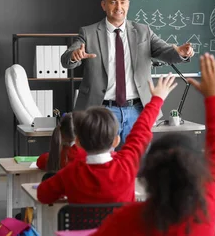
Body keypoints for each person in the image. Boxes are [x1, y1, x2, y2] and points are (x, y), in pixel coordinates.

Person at [91, 53, 215, 235]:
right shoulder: (207, 207)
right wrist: (214, 98)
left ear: (148, 175)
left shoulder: (125, 218)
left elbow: (138, 135)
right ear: (198, 172)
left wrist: (156, 99)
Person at [61, 0, 194, 148]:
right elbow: (66, 59)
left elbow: (165, 51)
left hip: (137, 111)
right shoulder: (88, 33)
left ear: (128, 4)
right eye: (113, 2)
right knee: (103, 164)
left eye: (123, 2)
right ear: (104, 5)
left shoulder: (143, 31)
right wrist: (75, 56)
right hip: (102, 112)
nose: (119, 7)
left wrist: (180, 52)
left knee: (137, 164)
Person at [37, 74, 177, 204]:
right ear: (116, 141)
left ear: (78, 142)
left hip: (86, 231)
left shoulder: (71, 173)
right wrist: (157, 99)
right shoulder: (126, 163)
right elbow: (141, 129)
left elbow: (43, 195)